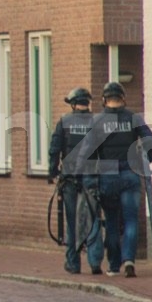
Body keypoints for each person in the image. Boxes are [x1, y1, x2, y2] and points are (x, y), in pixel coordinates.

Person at [89, 81, 152, 277]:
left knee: (111, 220)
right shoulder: (133, 118)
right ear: (123, 98)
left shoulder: (97, 121)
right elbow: (150, 140)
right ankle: (129, 260)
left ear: (104, 100)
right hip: (129, 173)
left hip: (107, 175)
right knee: (130, 220)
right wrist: (149, 157)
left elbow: (90, 152)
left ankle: (113, 264)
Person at [46, 87, 104, 274]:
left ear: (72, 104)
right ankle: (95, 262)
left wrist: (52, 172)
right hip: (93, 178)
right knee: (94, 219)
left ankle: (73, 262)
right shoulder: (97, 122)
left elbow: (55, 149)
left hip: (70, 179)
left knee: (72, 222)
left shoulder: (64, 122)